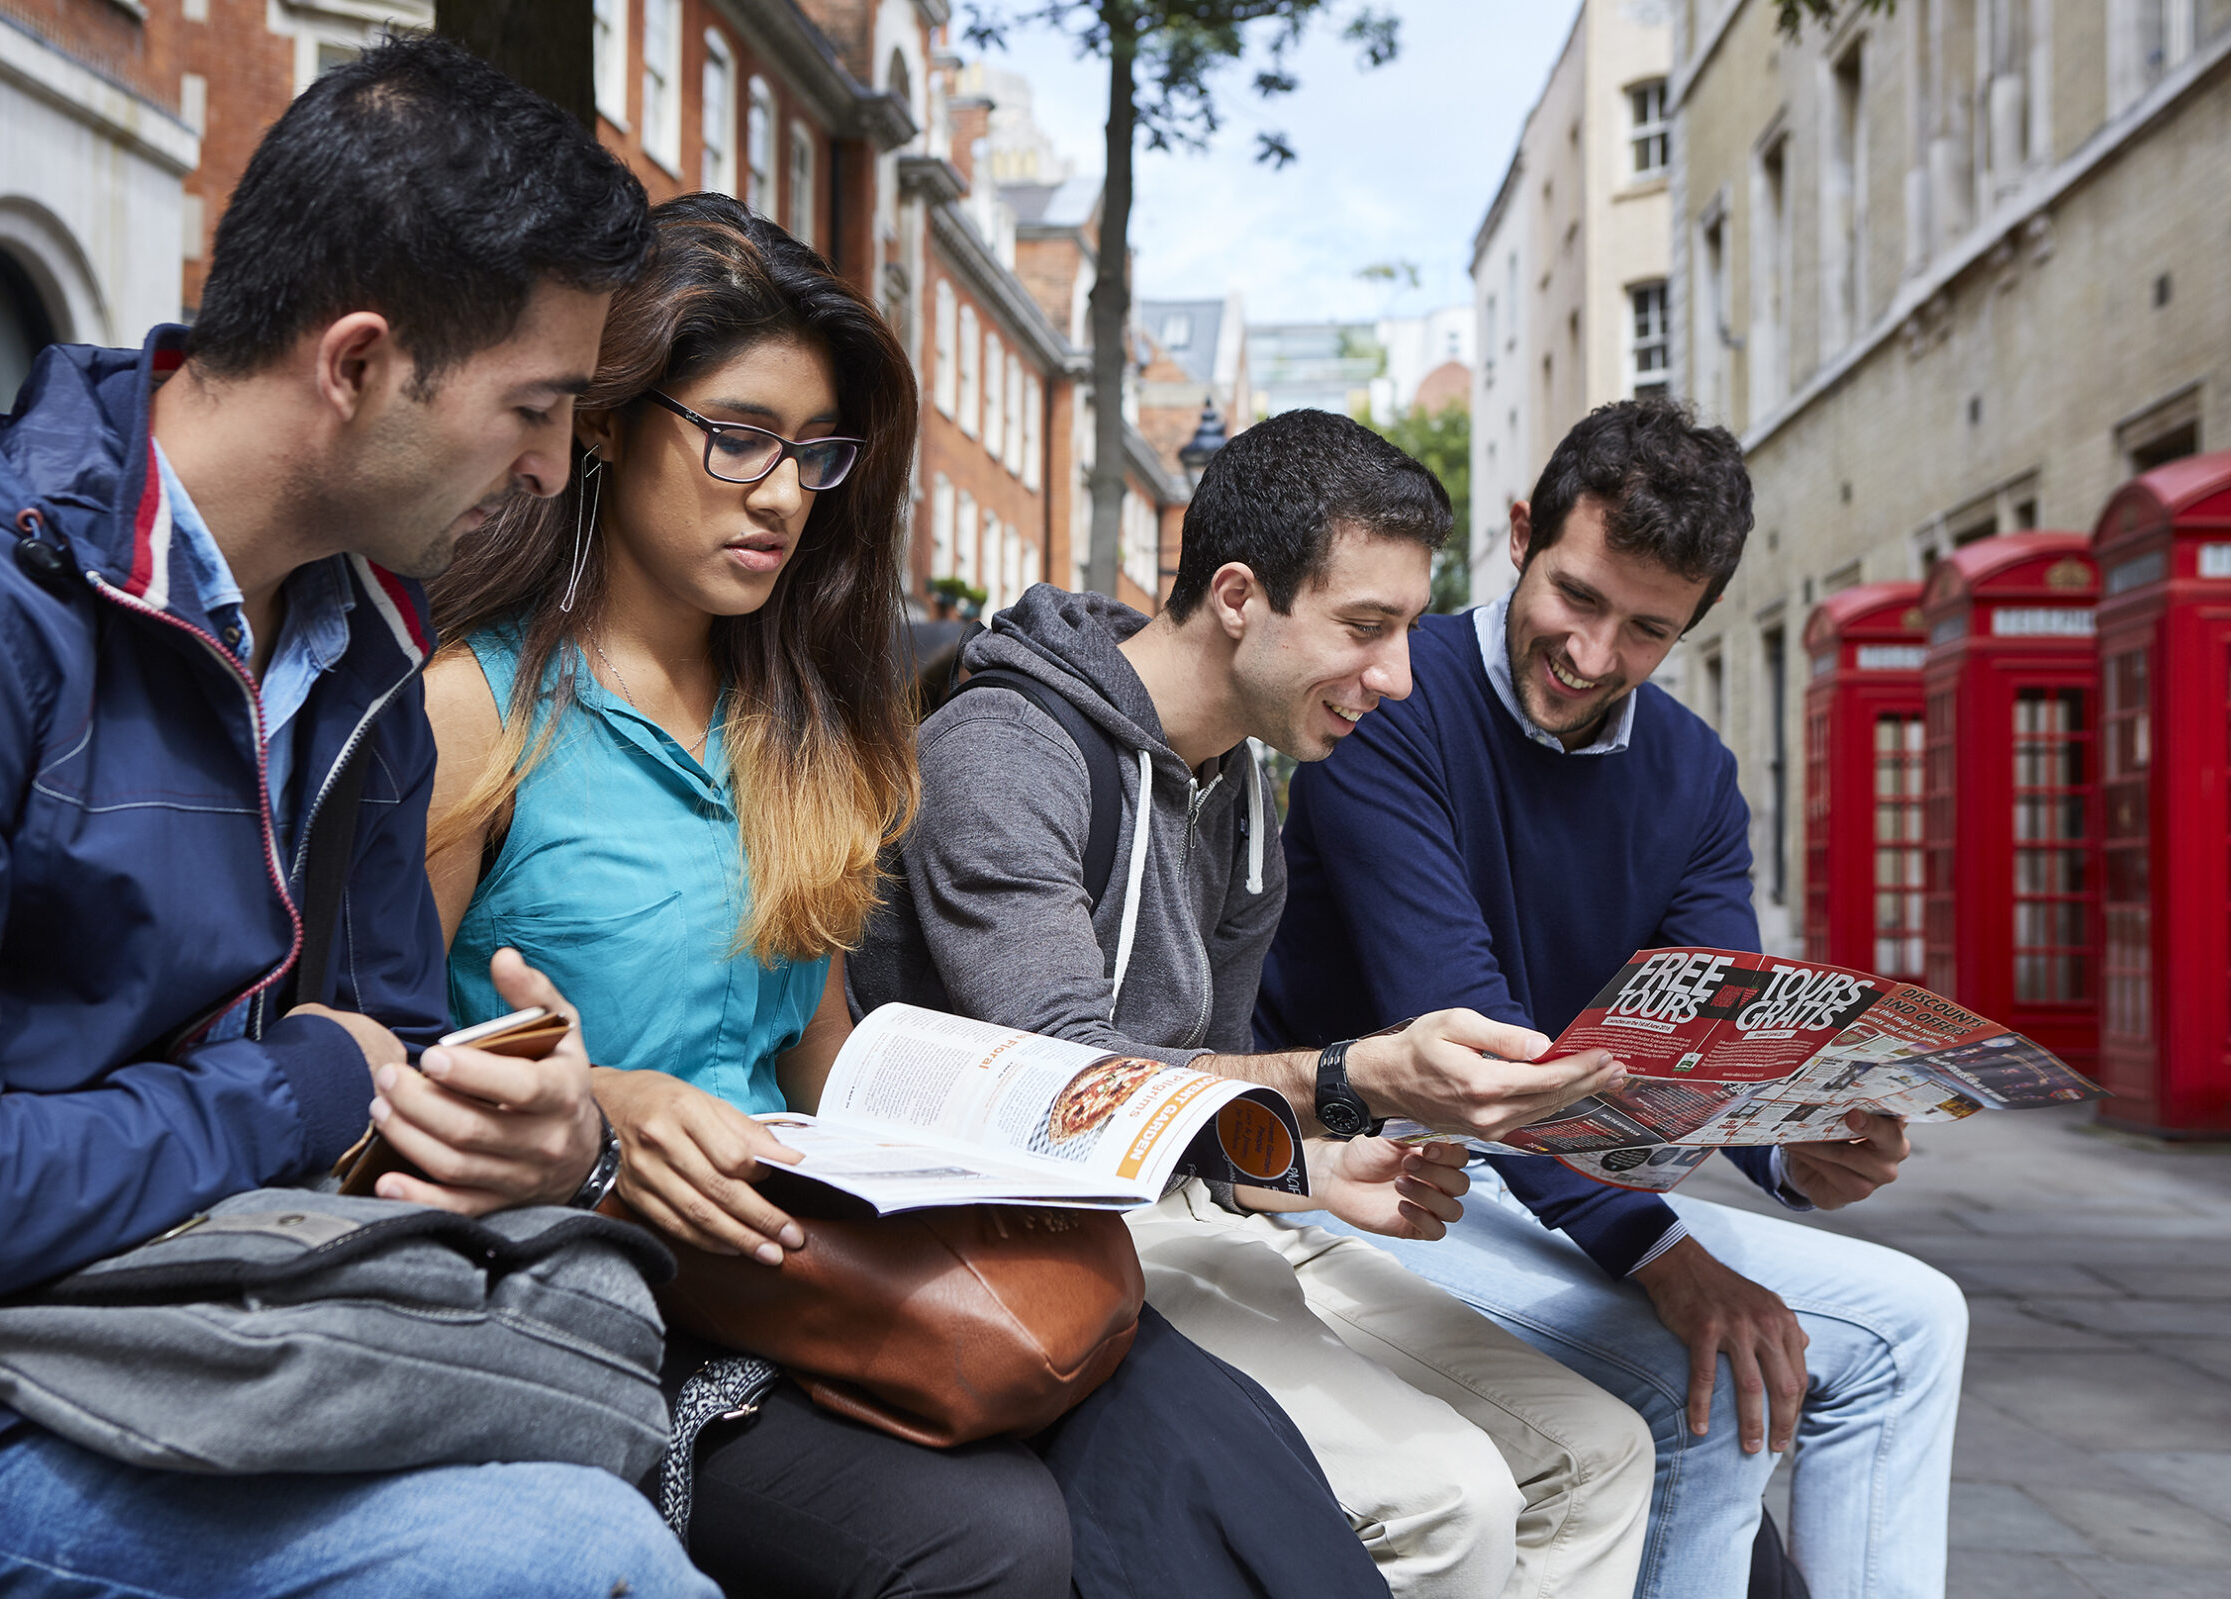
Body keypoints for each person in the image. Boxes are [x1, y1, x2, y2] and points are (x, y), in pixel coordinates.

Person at [0, 39, 715, 1599]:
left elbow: (376, 1055)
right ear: (358, 362)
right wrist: (298, 1083)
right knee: (578, 1559)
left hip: (214, 1353)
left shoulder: (363, 632)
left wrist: (535, 1137)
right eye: (538, 403)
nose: (555, 465)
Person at [420, 192, 1385, 1599]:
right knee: (996, 1535)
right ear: (613, 421)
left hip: (812, 1247)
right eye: (738, 436)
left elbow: (822, 1051)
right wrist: (605, 1103)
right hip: (599, 1272)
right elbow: (368, 1056)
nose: (781, 494)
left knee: (1214, 1447)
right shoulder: (476, 712)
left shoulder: (798, 728)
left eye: (815, 454)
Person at [850, 407, 1661, 1599]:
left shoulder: (1243, 799)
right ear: (1239, 594)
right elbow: (1076, 1089)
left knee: (1601, 1452)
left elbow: (1201, 1084)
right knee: (1452, 1498)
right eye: (1366, 628)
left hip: (1184, 1222)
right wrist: (1351, 1080)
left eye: (1407, 630)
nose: (1396, 676)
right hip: (1015, 1237)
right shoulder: (1006, 753)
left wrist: (1313, 1168)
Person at [1256, 397, 1969, 1599]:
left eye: (1646, 629)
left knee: (1918, 1323)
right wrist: (1664, 1253)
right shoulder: (1387, 699)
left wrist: (1802, 1146)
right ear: (1524, 531)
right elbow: (1473, 1050)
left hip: (1561, 1180)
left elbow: (1718, 1040)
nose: (1592, 655)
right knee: (1700, 1364)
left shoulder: (1693, 775)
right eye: (1577, 598)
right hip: (1362, 1171)